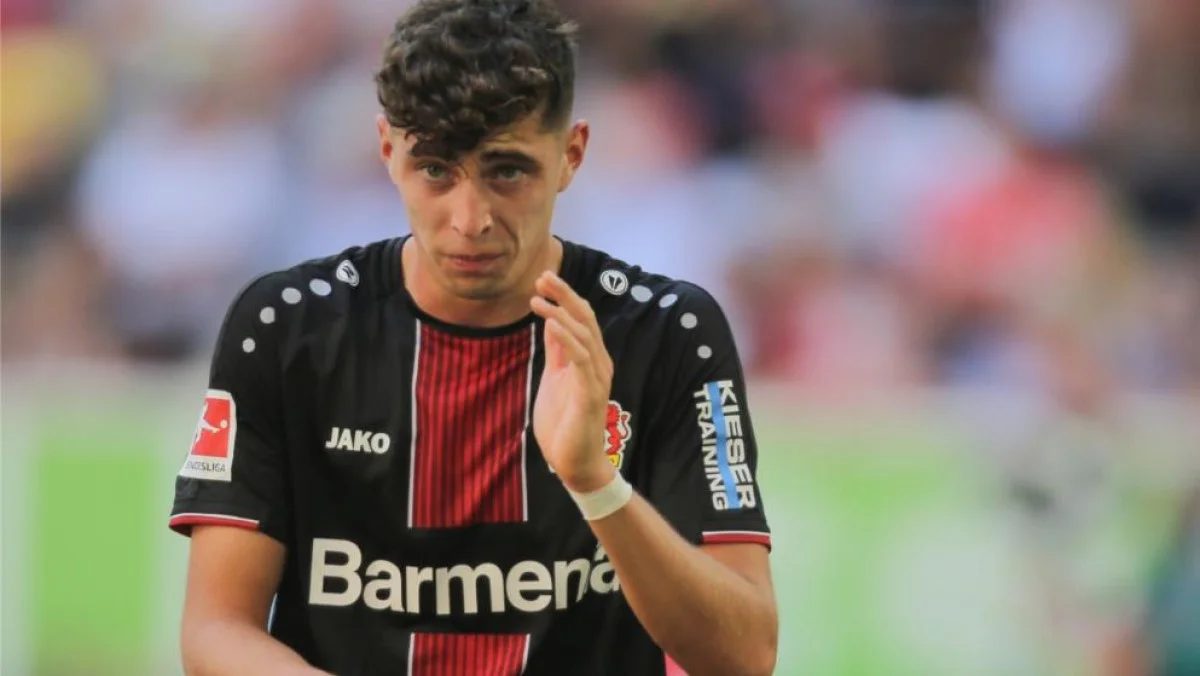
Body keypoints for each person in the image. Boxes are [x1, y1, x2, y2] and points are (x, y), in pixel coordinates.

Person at [168, 1, 778, 674]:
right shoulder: (288, 328)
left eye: (506, 170)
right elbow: (215, 631)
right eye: (436, 169)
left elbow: (744, 656)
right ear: (387, 150)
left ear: (571, 154)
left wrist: (596, 483)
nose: (470, 219)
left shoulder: (667, 333)